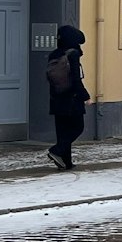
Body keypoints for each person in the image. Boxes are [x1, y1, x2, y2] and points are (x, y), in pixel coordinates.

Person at [46, 25, 89, 170]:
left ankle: (65, 162)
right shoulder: (73, 54)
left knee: (62, 130)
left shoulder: (54, 54)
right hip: (72, 98)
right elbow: (76, 79)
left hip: (56, 98)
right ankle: (57, 150)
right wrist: (85, 96)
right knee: (78, 127)